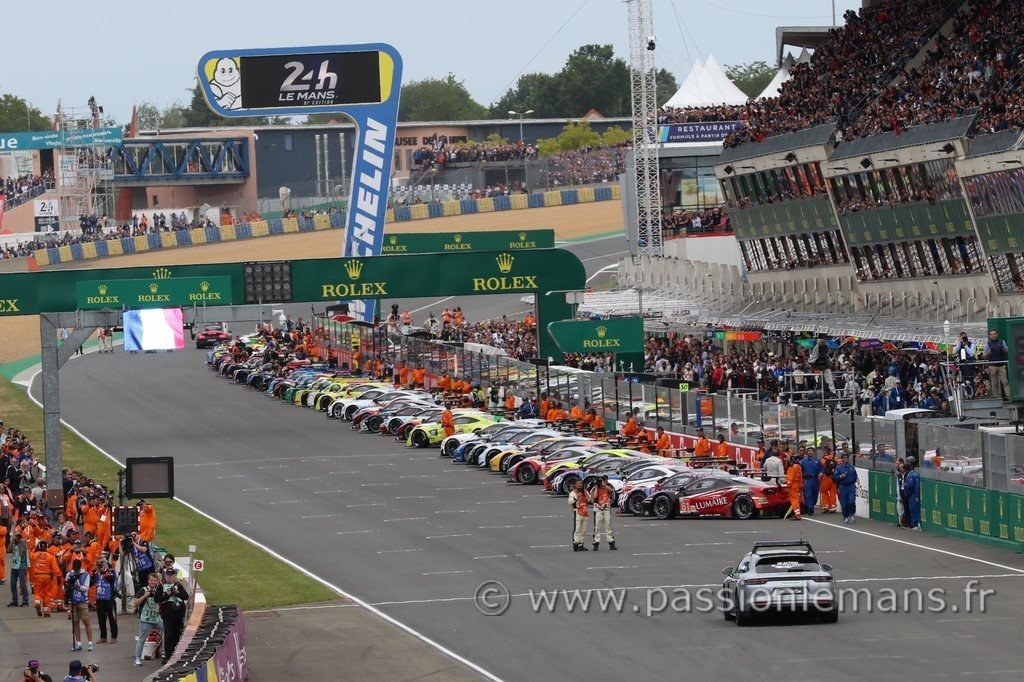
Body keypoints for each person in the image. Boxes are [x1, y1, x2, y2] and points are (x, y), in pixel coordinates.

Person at [155, 567, 189, 664]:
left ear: (174, 576)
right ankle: (168, 656)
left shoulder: (178, 585)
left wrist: (177, 593)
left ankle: (177, 655)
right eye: (168, 575)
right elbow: (157, 599)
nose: (169, 577)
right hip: (167, 615)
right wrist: (166, 594)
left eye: (171, 575)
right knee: (169, 635)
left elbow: (186, 596)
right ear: (165, 576)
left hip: (178, 614)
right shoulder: (161, 585)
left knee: (177, 634)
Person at [132, 573, 164, 666]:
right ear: (148, 581)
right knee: (142, 639)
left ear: (157, 581)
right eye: (151, 580)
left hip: (156, 619)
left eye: (154, 580)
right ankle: (137, 659)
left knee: (168, 630)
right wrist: (144, 596)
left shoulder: (159, 590)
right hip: (145, 619)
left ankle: (164, 652)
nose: (153, 582)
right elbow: (135, 602)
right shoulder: (143, 590)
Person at [64, 558, 93, 652]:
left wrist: (78, 586)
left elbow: (86, 588)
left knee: (86, 621)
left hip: (82, 601)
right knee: (75, 622)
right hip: (72, 601)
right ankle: (78, 643)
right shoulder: (69, 574)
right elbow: (64, 589)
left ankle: (90, 643)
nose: (76, 569)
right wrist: (67, 585)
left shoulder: (85, 574)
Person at [92, 557, 117, 644]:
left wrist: (103, 571)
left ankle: (114, 636)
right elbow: (91, 583)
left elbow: (111, 579)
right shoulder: (96, 573)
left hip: (109, 598)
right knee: (101, 618)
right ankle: (103, 637)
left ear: (105, 563)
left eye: (101, 562)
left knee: (112, 618)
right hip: (100, 598)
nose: (100, 565)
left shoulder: (111, 571)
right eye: (98, 563)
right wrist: (92, 572)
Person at [590, 476, 617, 551]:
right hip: (598, 509)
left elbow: (611, 491)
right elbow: (594, 497)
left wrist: (604, 485)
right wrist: (597, 486)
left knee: (608, 525)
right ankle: (596, 542)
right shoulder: (595, 488)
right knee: (597, 526)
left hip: (607, 508)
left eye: (603, 480)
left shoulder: (608, 487)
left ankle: (611, 542)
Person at [983, 328, 1010, 401]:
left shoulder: (1002, 342)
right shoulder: (987, 344)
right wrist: (988, 354)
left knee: (1005, 382)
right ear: (989, 336)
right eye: (992, 334)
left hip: (1001, 365)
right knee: (994, 383)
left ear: (997, 334)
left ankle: (1009, 396)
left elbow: (1008, 350)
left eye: (994, 334)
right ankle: (996, 398)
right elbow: (984, 356)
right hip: (992, 366)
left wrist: (1005, 350)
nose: (993, 335)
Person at [834, 452, 859, 524]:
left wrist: (857, 480)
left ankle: (851, 514)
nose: (846, 459)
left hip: (851, 486)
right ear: (842, 459)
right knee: (844, 503)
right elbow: (835, 478)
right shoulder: (839, 468)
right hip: (843, 487)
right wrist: (840, 476)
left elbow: (855, 476)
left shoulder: (852, 467)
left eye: (847, 457)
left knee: (851, 501)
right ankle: (846, 516)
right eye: (844, 458)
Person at [8, 528, 29, 606]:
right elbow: (8, 550)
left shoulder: (23, 542)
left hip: (21, 566)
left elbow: (21, 552)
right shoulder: (13, 543)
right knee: (12, 584)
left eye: (18, 536)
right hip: (14, 566)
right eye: (16, 536)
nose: (17, 537)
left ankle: (25, 600)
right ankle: (15, 600)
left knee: (22, 584)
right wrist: (12, 541)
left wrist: (19, 542)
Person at [568, 479, 591, 552]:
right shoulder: (572, 493)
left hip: (585, 512)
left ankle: (581, 544)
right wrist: (576, 497)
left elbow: (589, 500)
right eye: (578, 483)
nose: (579, 485)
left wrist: (587, 499)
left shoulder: (585, 492)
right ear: (575, 485)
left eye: (581, 483)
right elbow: (570, 502)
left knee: (583, 530)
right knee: (577, 529)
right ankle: (576, 543)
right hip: (577, 512)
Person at [799, 447, 822, 516]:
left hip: (815, 480)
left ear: (814, 452)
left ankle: (810, 505)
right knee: (808, 495)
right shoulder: (803, 461)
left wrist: (821, 472)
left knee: (815, 495)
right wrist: (803, 475)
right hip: (807, 480)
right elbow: (799, 471)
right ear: (807, 452)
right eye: (809, 451)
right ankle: (810, 509)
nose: (810, 452)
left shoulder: (818, 460)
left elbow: (821, 468)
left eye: (811, 451)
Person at [903, 455, 921, 530]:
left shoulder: (912, 475)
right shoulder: (911, 474)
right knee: (913, 509)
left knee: (914, 509)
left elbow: (910, 485)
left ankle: (916, 524)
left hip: (913, 494)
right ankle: (915, 524)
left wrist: (904, 485)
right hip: (912, 494)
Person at [818, 448, 838, 513]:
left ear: (825, 451)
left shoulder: (824, 458)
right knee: (833, 492)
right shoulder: (835, 457)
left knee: (824, 491)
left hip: (826, 476)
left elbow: (821, 466)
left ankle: (826, 505)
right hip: (834, 477)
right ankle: (833, 506)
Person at [785, 451, 804, 520]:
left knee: (794, 500)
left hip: (792, 485)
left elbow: (790, 478)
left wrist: (787, 486)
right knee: (796, 499)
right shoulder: (799, 467)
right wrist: (801, 485)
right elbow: (801, 477)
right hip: (797, 485)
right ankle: (797, 513)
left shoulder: (792, 468)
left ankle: (797, 514)